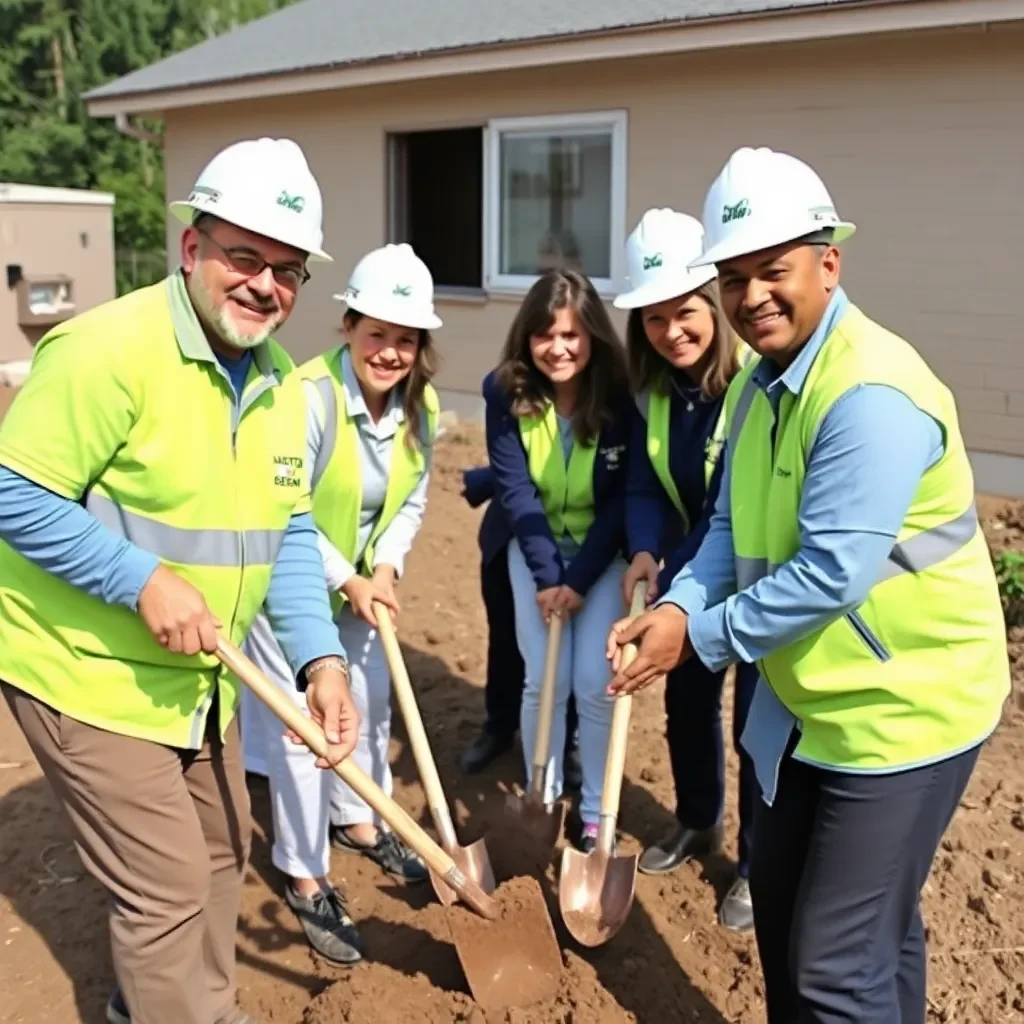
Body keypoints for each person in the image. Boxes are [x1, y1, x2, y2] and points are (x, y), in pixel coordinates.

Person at [608, 146, 1011, 1023]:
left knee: (834, 967)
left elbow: (831, 573)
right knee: (813, 931)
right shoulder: (758, 385)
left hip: (903, 712)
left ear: (829, 262)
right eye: (735, 276)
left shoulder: (869, 393)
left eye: (774, 270)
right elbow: (725, 525)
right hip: (810, 707)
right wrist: (680, 601)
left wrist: (697, 639)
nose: (752, 296)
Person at [0, 137, 359, 1024]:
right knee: (163, 891)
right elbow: (10, 488)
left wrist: (320, 661)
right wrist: (140, 579)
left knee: (224, 850)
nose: (265, 285)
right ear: (192, 248)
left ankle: (189, 1011)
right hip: (84, 670)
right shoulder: (105, 351)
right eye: (245, 256)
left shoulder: (280, 388)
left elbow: (294, 530)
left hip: (203, 682)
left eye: (287, 270)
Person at [241, 242, 441, 962]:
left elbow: (413, 498)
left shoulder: (422, 407)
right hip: (285, 585)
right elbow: (284, 509)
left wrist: (384, 568)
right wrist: (345, 577)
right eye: (378, 332)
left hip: (360, 584)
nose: (390, 351)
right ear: (349, 325)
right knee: (307, 731)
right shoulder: (307, 397)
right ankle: (304, 869)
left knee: (372, 700)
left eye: (406, 338)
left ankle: (359, 821)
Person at [612, 207, 759, 932]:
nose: (673, 332)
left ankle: (757, 866)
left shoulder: (754, 386)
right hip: (692, 578)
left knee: (756, 725)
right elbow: (644, 482)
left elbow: (729, 512)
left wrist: (676, 596)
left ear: (717, 305)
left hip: (761, 580)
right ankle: (700, 820)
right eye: (656, 319)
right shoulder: (655, 393)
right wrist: (644, 546)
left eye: (687, 313)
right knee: (686, 708)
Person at [486, 268, 631, 852]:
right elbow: (516, 492)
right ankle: (539, 791)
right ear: (527, 338)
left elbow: (624, 500)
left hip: (604, 559)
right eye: (545, 335)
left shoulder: (620, 396)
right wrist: (550, 578)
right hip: (536, 552)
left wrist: (578, 580)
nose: (559, 348)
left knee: (597, 682)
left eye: (572, 334)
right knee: (545, 679)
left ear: (592, 336)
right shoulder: (504, 392)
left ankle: (596, 812)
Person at [458, 464, 583, 788]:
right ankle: (499, 727)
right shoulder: (515, 413)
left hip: (581, 538)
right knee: (505, 639)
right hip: (513, 527)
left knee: (569, 647)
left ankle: (567, 740)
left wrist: (481, 480)